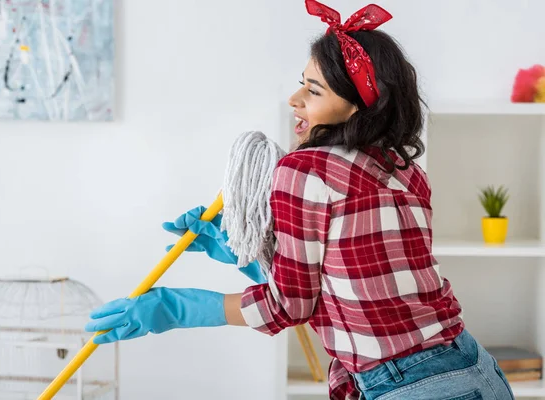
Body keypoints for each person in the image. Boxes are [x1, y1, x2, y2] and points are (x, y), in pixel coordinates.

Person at [84, 1, 515, 399]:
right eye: (300, 85)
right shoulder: (403, 169)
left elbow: (287, 306)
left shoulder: (302, 170)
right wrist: (243, 254)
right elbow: (343, 282)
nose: (294, 100)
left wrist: (173, 309)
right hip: (475, 370)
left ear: (356, 107)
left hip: (414, 386)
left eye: (313, 91)